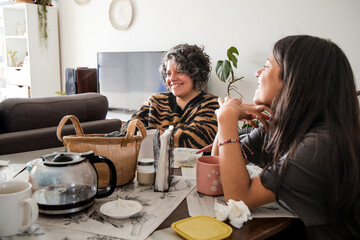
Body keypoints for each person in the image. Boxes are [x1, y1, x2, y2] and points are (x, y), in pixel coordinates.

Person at [212, 35, 360, 239]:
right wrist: (225, 122)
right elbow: (217, 166)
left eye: (266, 66)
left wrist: (227, 119)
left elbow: (238, 197)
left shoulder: (320, 145)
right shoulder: (276, 126)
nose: (257, 73)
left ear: (293, 79)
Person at [121, 44, 219, 149]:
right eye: (168, 73)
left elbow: (196, 140)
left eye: (179, 72)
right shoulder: (155, 101)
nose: (172, 78)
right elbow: (128, 129)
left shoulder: (212, 105)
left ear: (195, 73)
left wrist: (150, 134)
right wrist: (159, 135)